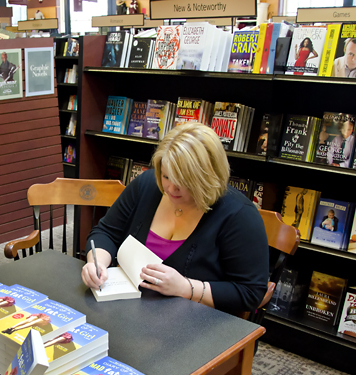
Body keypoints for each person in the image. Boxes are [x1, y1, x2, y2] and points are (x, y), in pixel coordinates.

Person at [81, 122, 269, 315]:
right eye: (166, 176)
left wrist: (186, 288)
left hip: (199, 323)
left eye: (183, 182)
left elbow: (250, 293)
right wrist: (97, 263)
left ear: (207, 179)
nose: (170, 188)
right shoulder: (148, 185)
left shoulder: (239, 215)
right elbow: (106, 231)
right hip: (136, 312)